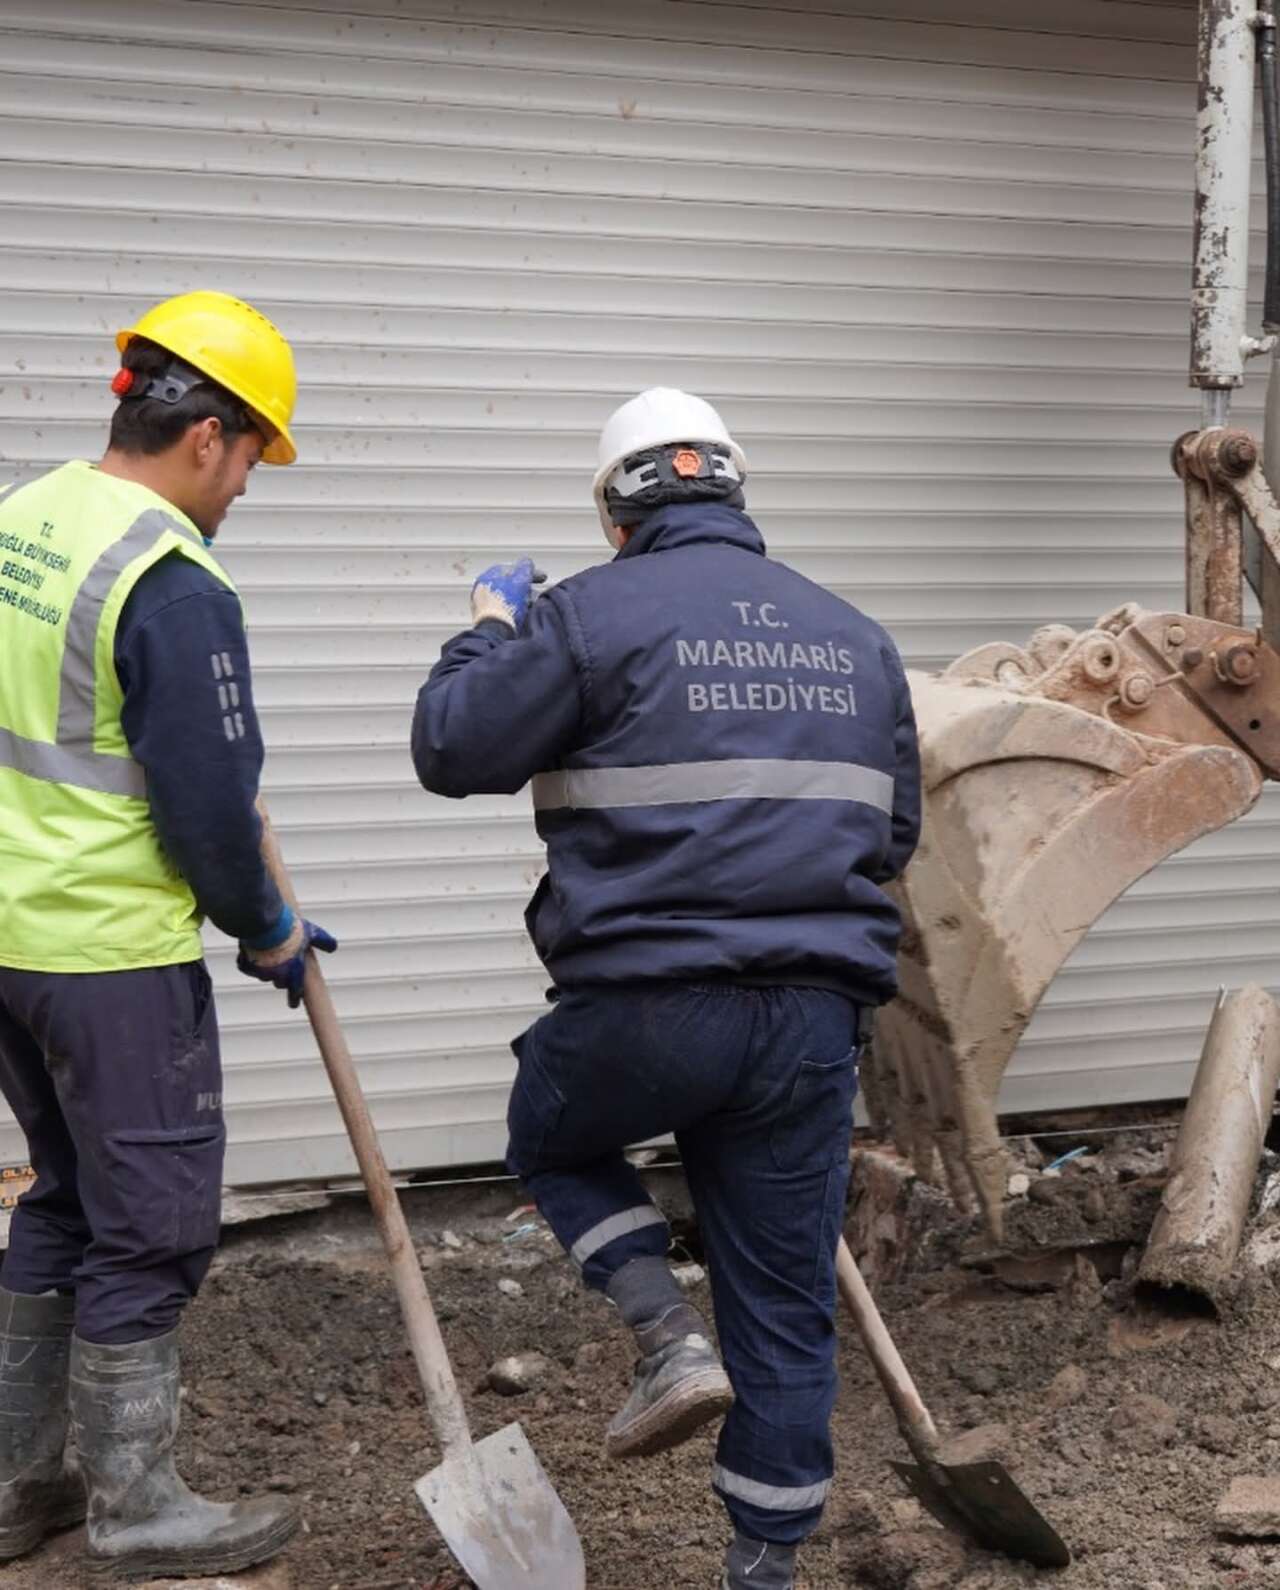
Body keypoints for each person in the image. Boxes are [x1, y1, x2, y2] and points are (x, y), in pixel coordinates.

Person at [412, 387, 921, 1590]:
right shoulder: (855, 637)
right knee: (785, 1300)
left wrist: (489, 627)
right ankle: (765, 1565)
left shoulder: (585, 619)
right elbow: (889, 839)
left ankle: (662, 1333)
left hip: (646, 1006)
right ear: (734, 493)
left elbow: (451, 749)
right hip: (810, 1022)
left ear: (614, 511)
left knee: (547, 1127)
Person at [0, 290, 336, 1577]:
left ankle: (17, 1485)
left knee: (64, 1203)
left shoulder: (25, 520)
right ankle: (135, 1507)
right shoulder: (172, 579)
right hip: (107, 957)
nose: (247, 486)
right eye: (253, 457)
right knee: (151, 1226)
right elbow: (206, 809)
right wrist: (265, 929)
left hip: (16, 943)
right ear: (208, 436)